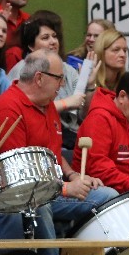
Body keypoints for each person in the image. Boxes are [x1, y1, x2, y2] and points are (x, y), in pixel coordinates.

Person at [0, 50, 116, 255]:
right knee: (41, 206)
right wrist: (66, 189)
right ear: (40, 78)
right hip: (15, 193)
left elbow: (54, 152)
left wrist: (74, 175)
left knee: (109, 196)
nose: (63, 84)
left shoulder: (47, 105)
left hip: (48, 188)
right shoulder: (9, 109)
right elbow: (17, 180)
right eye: (59, 78)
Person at [6, 13, 85, 156]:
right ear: (31, 46)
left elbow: (82, 113)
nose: (53, 41)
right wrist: (66, 103)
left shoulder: (70, 70)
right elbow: (27, 112)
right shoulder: (23, 69)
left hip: (69, 137)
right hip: (38, 144)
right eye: (45, 38)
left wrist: (89, 84)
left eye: (54, 36)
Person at [90, 28, 127, 95]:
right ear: (101, 52)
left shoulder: (128, 84)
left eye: (125, 50)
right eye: (116, 50)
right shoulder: (90, 82)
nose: (123, 55)